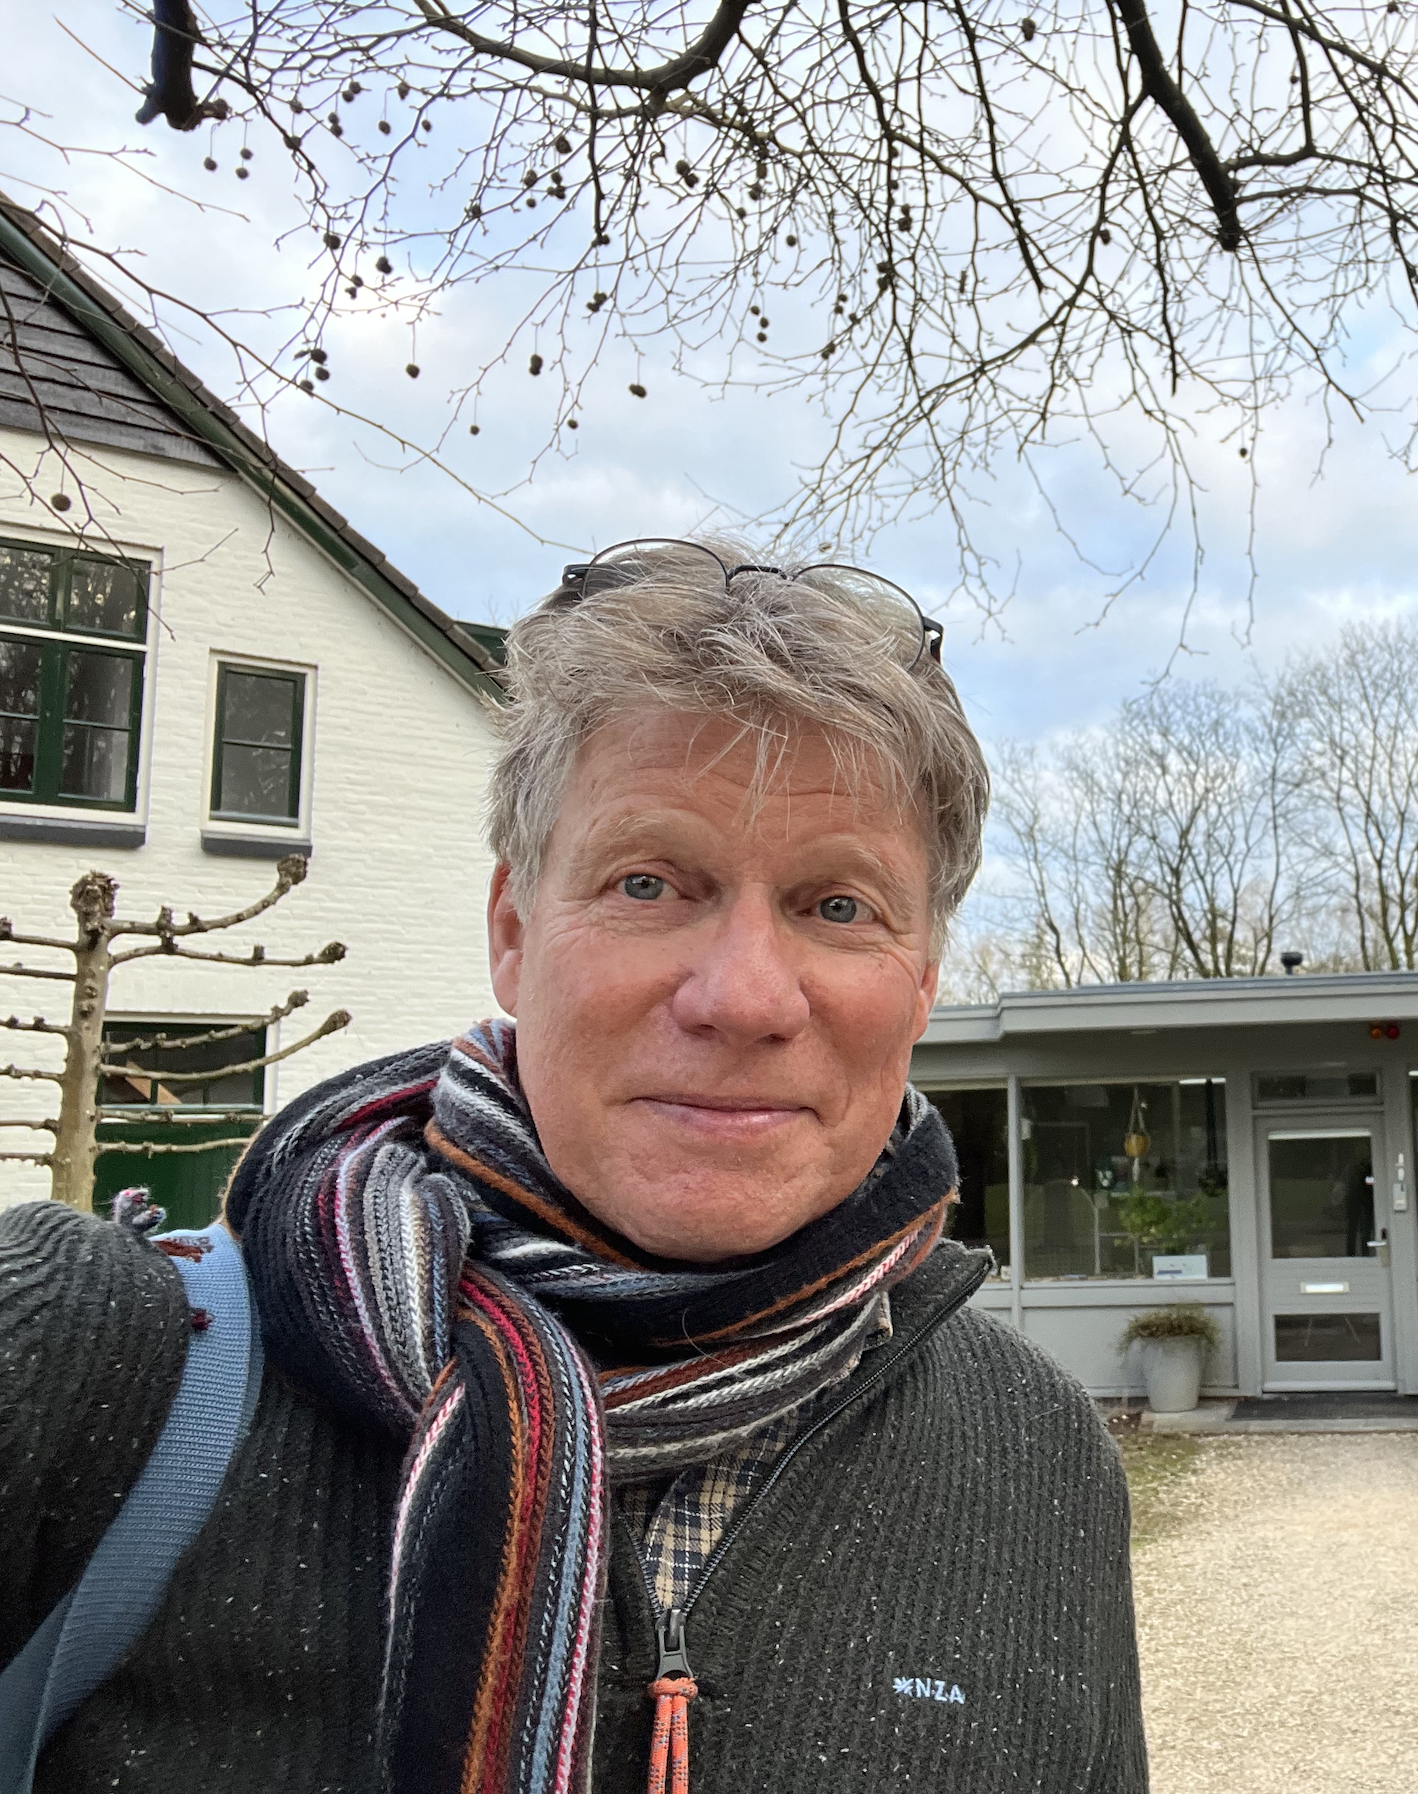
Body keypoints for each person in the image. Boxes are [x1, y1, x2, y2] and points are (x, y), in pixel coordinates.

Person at [0, 543, 1147, 1793]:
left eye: (837, 907)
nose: (745, 997)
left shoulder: (1041, 1455)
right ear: (511, 932)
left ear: (922, 981)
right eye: (649, 883)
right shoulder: (82, 1361)